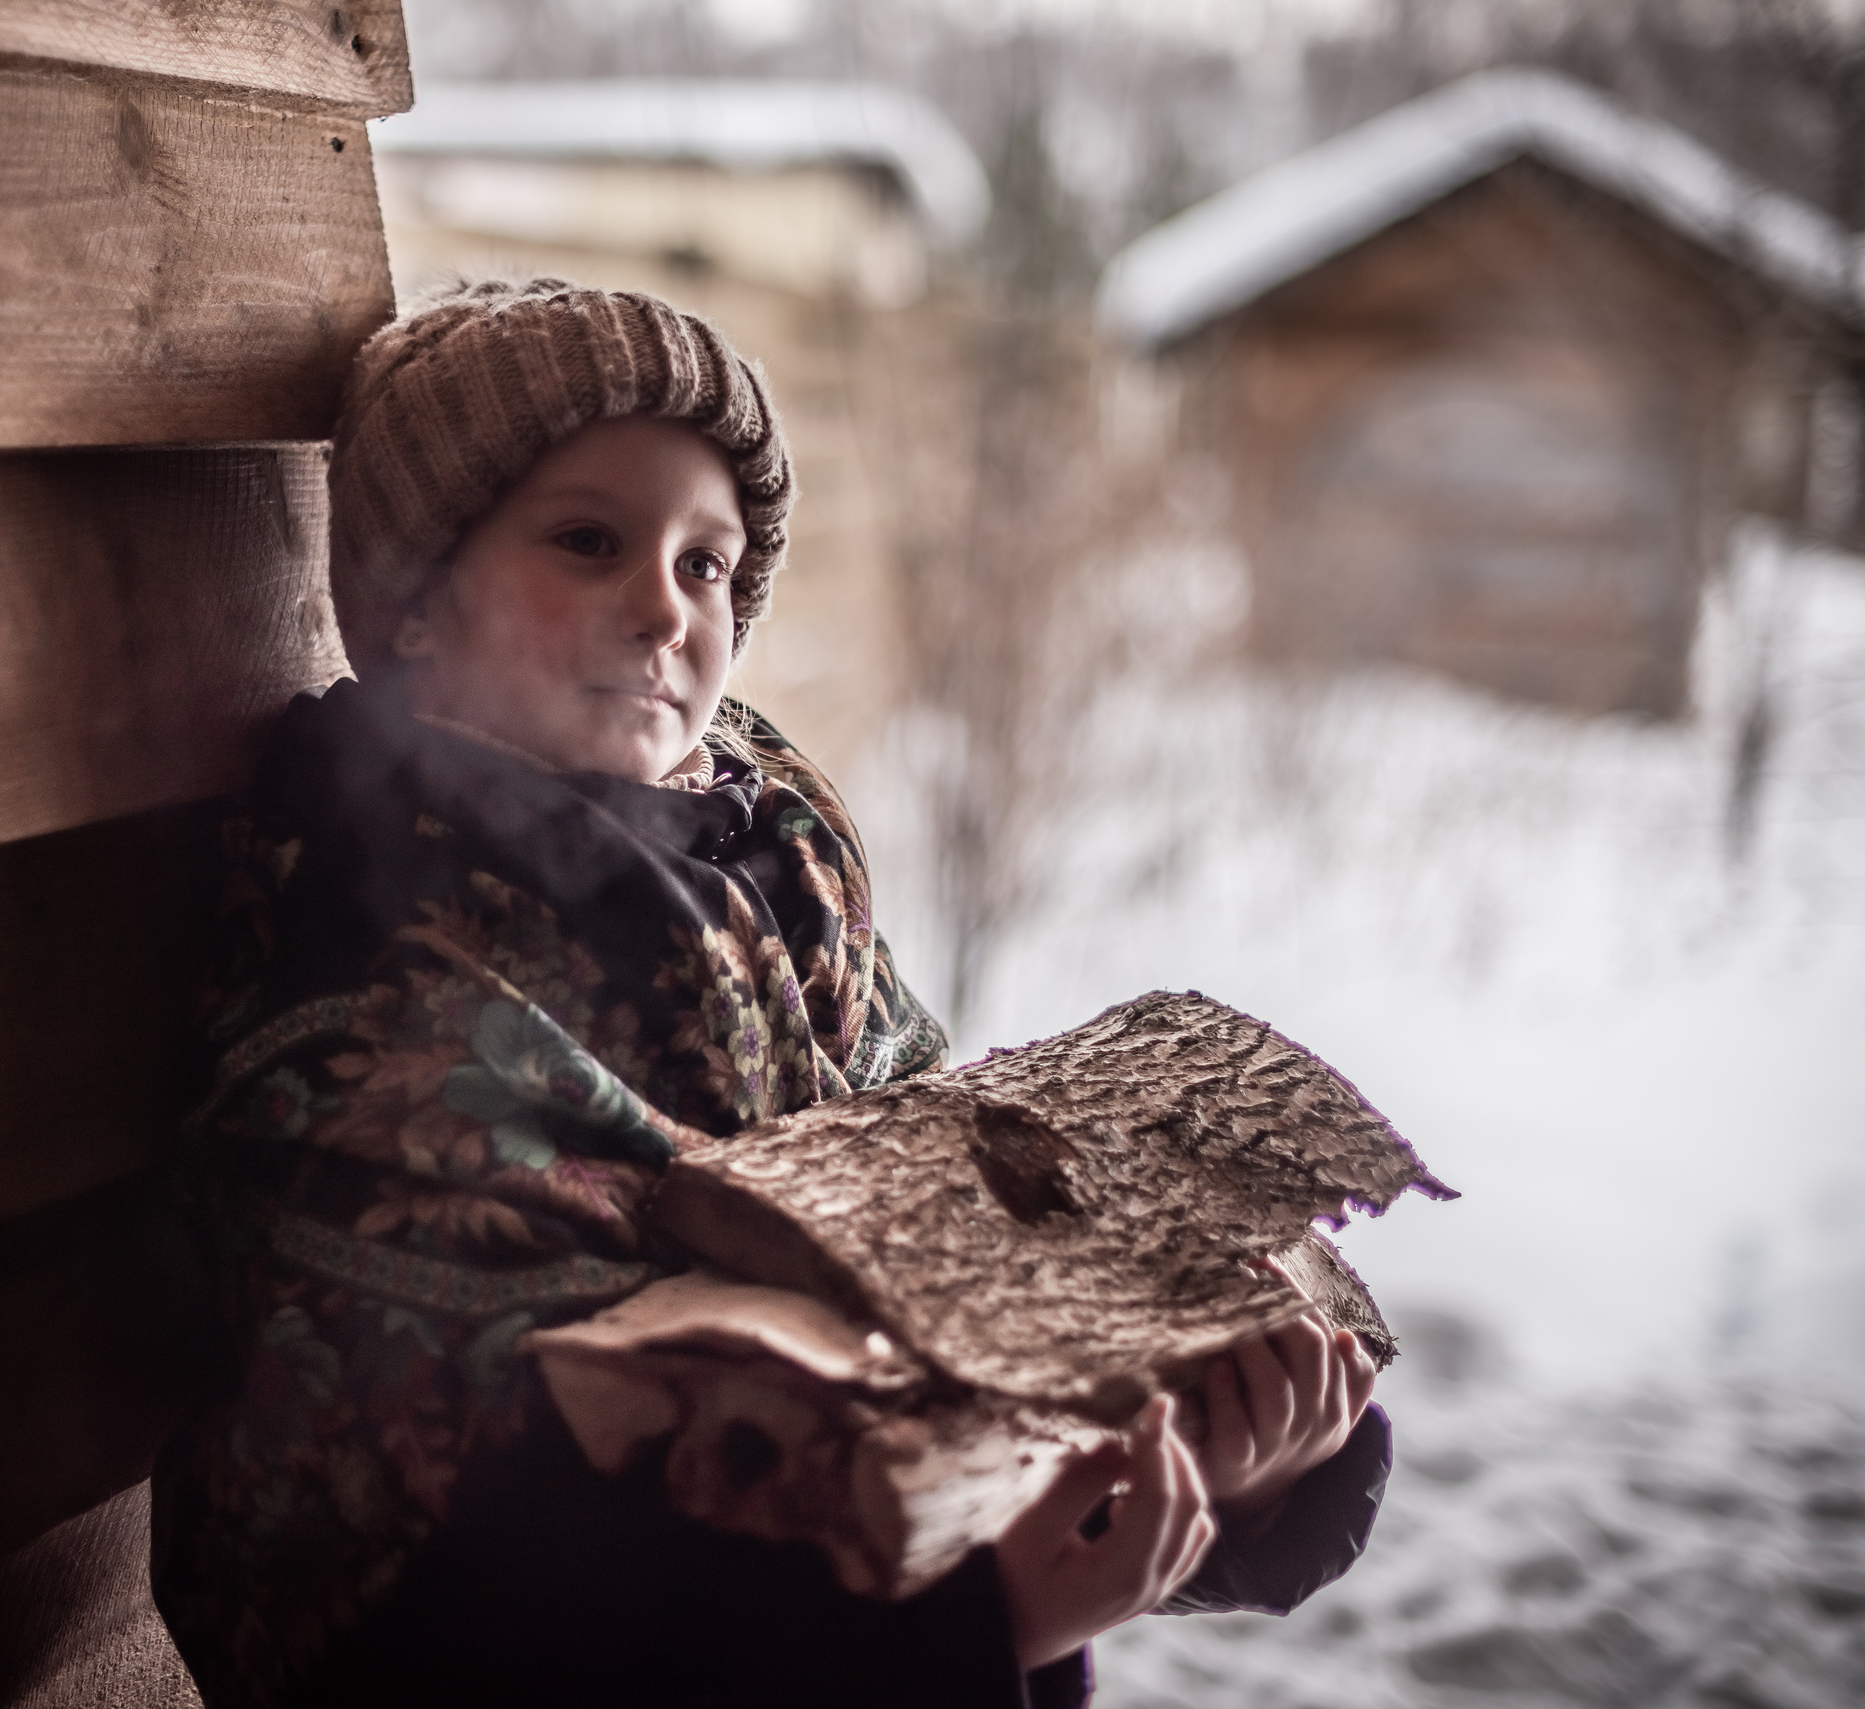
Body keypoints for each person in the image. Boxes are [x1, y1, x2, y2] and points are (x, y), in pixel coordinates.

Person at [150, 279, 1391, 1709]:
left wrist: (1209, 1448)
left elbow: (973, 1256)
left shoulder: (777, 889)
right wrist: (963, 1633)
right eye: (588, 541)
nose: (662, 607)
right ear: (419, 598)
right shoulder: (371, 982)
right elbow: (423, 1573)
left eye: (708, 565)